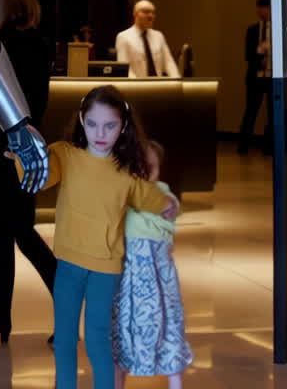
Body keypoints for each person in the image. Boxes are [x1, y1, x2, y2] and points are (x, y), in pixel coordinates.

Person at [19, 85, 177, 389]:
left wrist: (166, 204)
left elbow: (146, 196)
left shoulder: (125, 171)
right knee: (64, 339)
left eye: (110, 125)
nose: (100, 133)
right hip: (68, 262)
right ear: (81, 120)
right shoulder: (65, 154)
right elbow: (40, 175)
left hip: (106, 269)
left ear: (124, 126)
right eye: (92, 124)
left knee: (97, 340)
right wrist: (22, 157)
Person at [0, 0, 58, 344]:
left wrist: (11, 140)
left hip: (10, 151)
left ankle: (65, 303)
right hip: (8, 150)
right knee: (5, 235)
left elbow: (25, 101)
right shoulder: (25, 42)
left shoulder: (14, 44)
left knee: (18, 233)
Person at [113, 141, 192, 389]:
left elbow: (170, 210)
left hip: (158, 276)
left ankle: (174, 381)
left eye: (152, 167)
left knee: (168, 326)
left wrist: (168, 207)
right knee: (122, 330)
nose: (146, 173)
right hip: (128, 277)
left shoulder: (161, 193)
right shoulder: (122, 193)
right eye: (139, 167)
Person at [236, 0, 273, 156]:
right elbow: (248, 55)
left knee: (273, 113)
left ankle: (269, 146)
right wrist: (260, 51)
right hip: (255, 76)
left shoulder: (278, 30)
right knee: (251, 111)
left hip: (273, 76)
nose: (260, 11)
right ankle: (243, 146)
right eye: (258, 8)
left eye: (263, 8)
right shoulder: (252, 30)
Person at [115, 0, 181, 78]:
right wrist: (137, 83)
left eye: (153, 13)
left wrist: (177, 80)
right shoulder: (123, 37)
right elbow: (125, 69)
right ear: (135, 14)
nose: (151, 16)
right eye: (146, 12)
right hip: (136, 83)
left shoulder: (158, 36)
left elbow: (169, 63)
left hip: (158, 82)